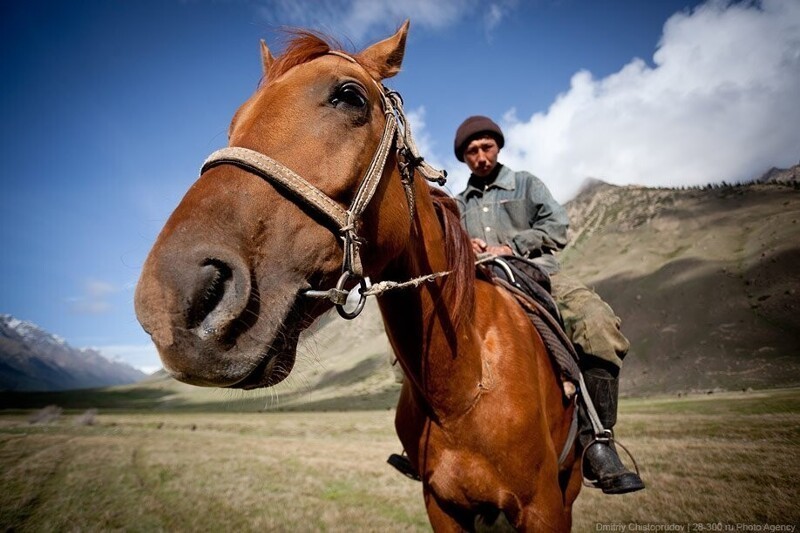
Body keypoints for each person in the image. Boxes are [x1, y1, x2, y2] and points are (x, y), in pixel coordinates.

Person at [453, 115, 645, 495]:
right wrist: (464, 244)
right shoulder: (458, 205)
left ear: (498, 146)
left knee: (598, 323)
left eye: (486, 147)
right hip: (483, 283)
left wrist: (514, 246)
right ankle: (424, 441)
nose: (480, 156)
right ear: (464, 158)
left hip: (539, 274)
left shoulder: (526, 184)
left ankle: (597, 442)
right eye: (472, 151)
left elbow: (557, 226)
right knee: (427, 332)